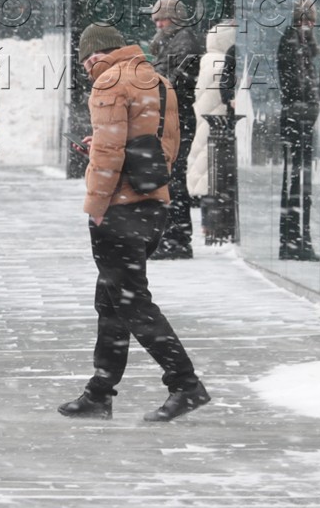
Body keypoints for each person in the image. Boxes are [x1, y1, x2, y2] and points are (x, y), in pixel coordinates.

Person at [58, 22, 212, 423]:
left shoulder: (108, 82)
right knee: (112, 301)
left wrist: (97, 205)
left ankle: (185, 383)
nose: (87, 68)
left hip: (119, 209)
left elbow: (108, 153)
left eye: (85, 60)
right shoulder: (159, 80)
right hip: (153, 204)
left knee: (132, 302)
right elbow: (166, 146)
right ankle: (99, 391)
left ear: (94, 55)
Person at [146, 0, 202, 257]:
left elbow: (173, 83)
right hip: (172, 119)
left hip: (177, 121)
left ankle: (176, 239)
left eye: (162, 19)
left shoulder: (183, 43)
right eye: (155, 19)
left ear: (175, 19)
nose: (157, 24)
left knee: (174, 180)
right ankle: (173, 237)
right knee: (171, 179)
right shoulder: (172, 42)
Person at [276, 0, 320, 260]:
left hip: (299, 117)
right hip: (298, 119)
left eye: (310, 22)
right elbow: (298, 84)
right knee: (297, 179)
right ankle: (295, 240)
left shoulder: (303, 46)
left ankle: (296, 239)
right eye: (304, 21)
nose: (308, 26)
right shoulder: (295, 45)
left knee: (298, 180)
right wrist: (309, 105)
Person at [188, 19, 239, 243]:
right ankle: (217, 228)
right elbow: (224, 95)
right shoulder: (222, 62)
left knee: (208, 176)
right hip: (218, 127)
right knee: (217, 177)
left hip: (204, 126)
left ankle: (209, 226)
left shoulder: (207, 60)